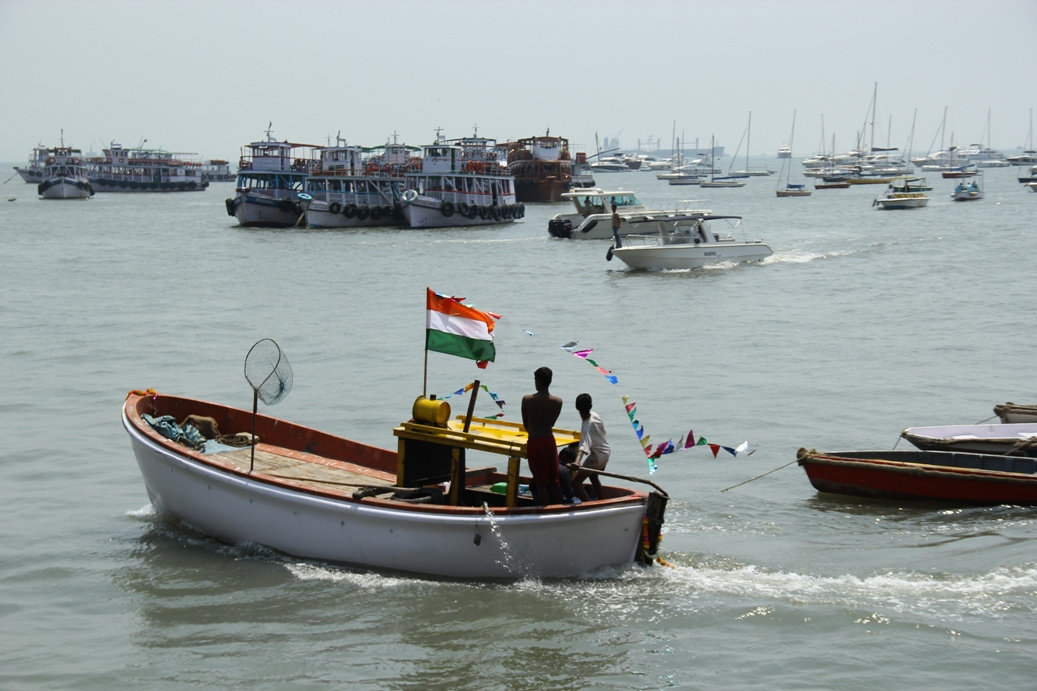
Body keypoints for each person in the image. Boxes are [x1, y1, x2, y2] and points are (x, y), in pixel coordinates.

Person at [521, 366, 563, 505]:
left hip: (535, 441)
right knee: (554, 480)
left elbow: (526, 424)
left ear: (538, 381)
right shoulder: (557, 402)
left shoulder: (527, 400)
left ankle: (544, 511)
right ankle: (559, 509)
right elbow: (551, 423)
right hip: (549, 441)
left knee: (541, 483)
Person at [569, 393, 610, 502]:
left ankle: (588, 505)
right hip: (606, 453)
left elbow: (583, 446)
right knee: (593, 476)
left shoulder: (587, 425)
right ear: (591, 406)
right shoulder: (595, 415)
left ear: (576, 407)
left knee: (575, 483)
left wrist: (577, 462)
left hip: (597, 456)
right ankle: (601, 500)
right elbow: (602, 432)